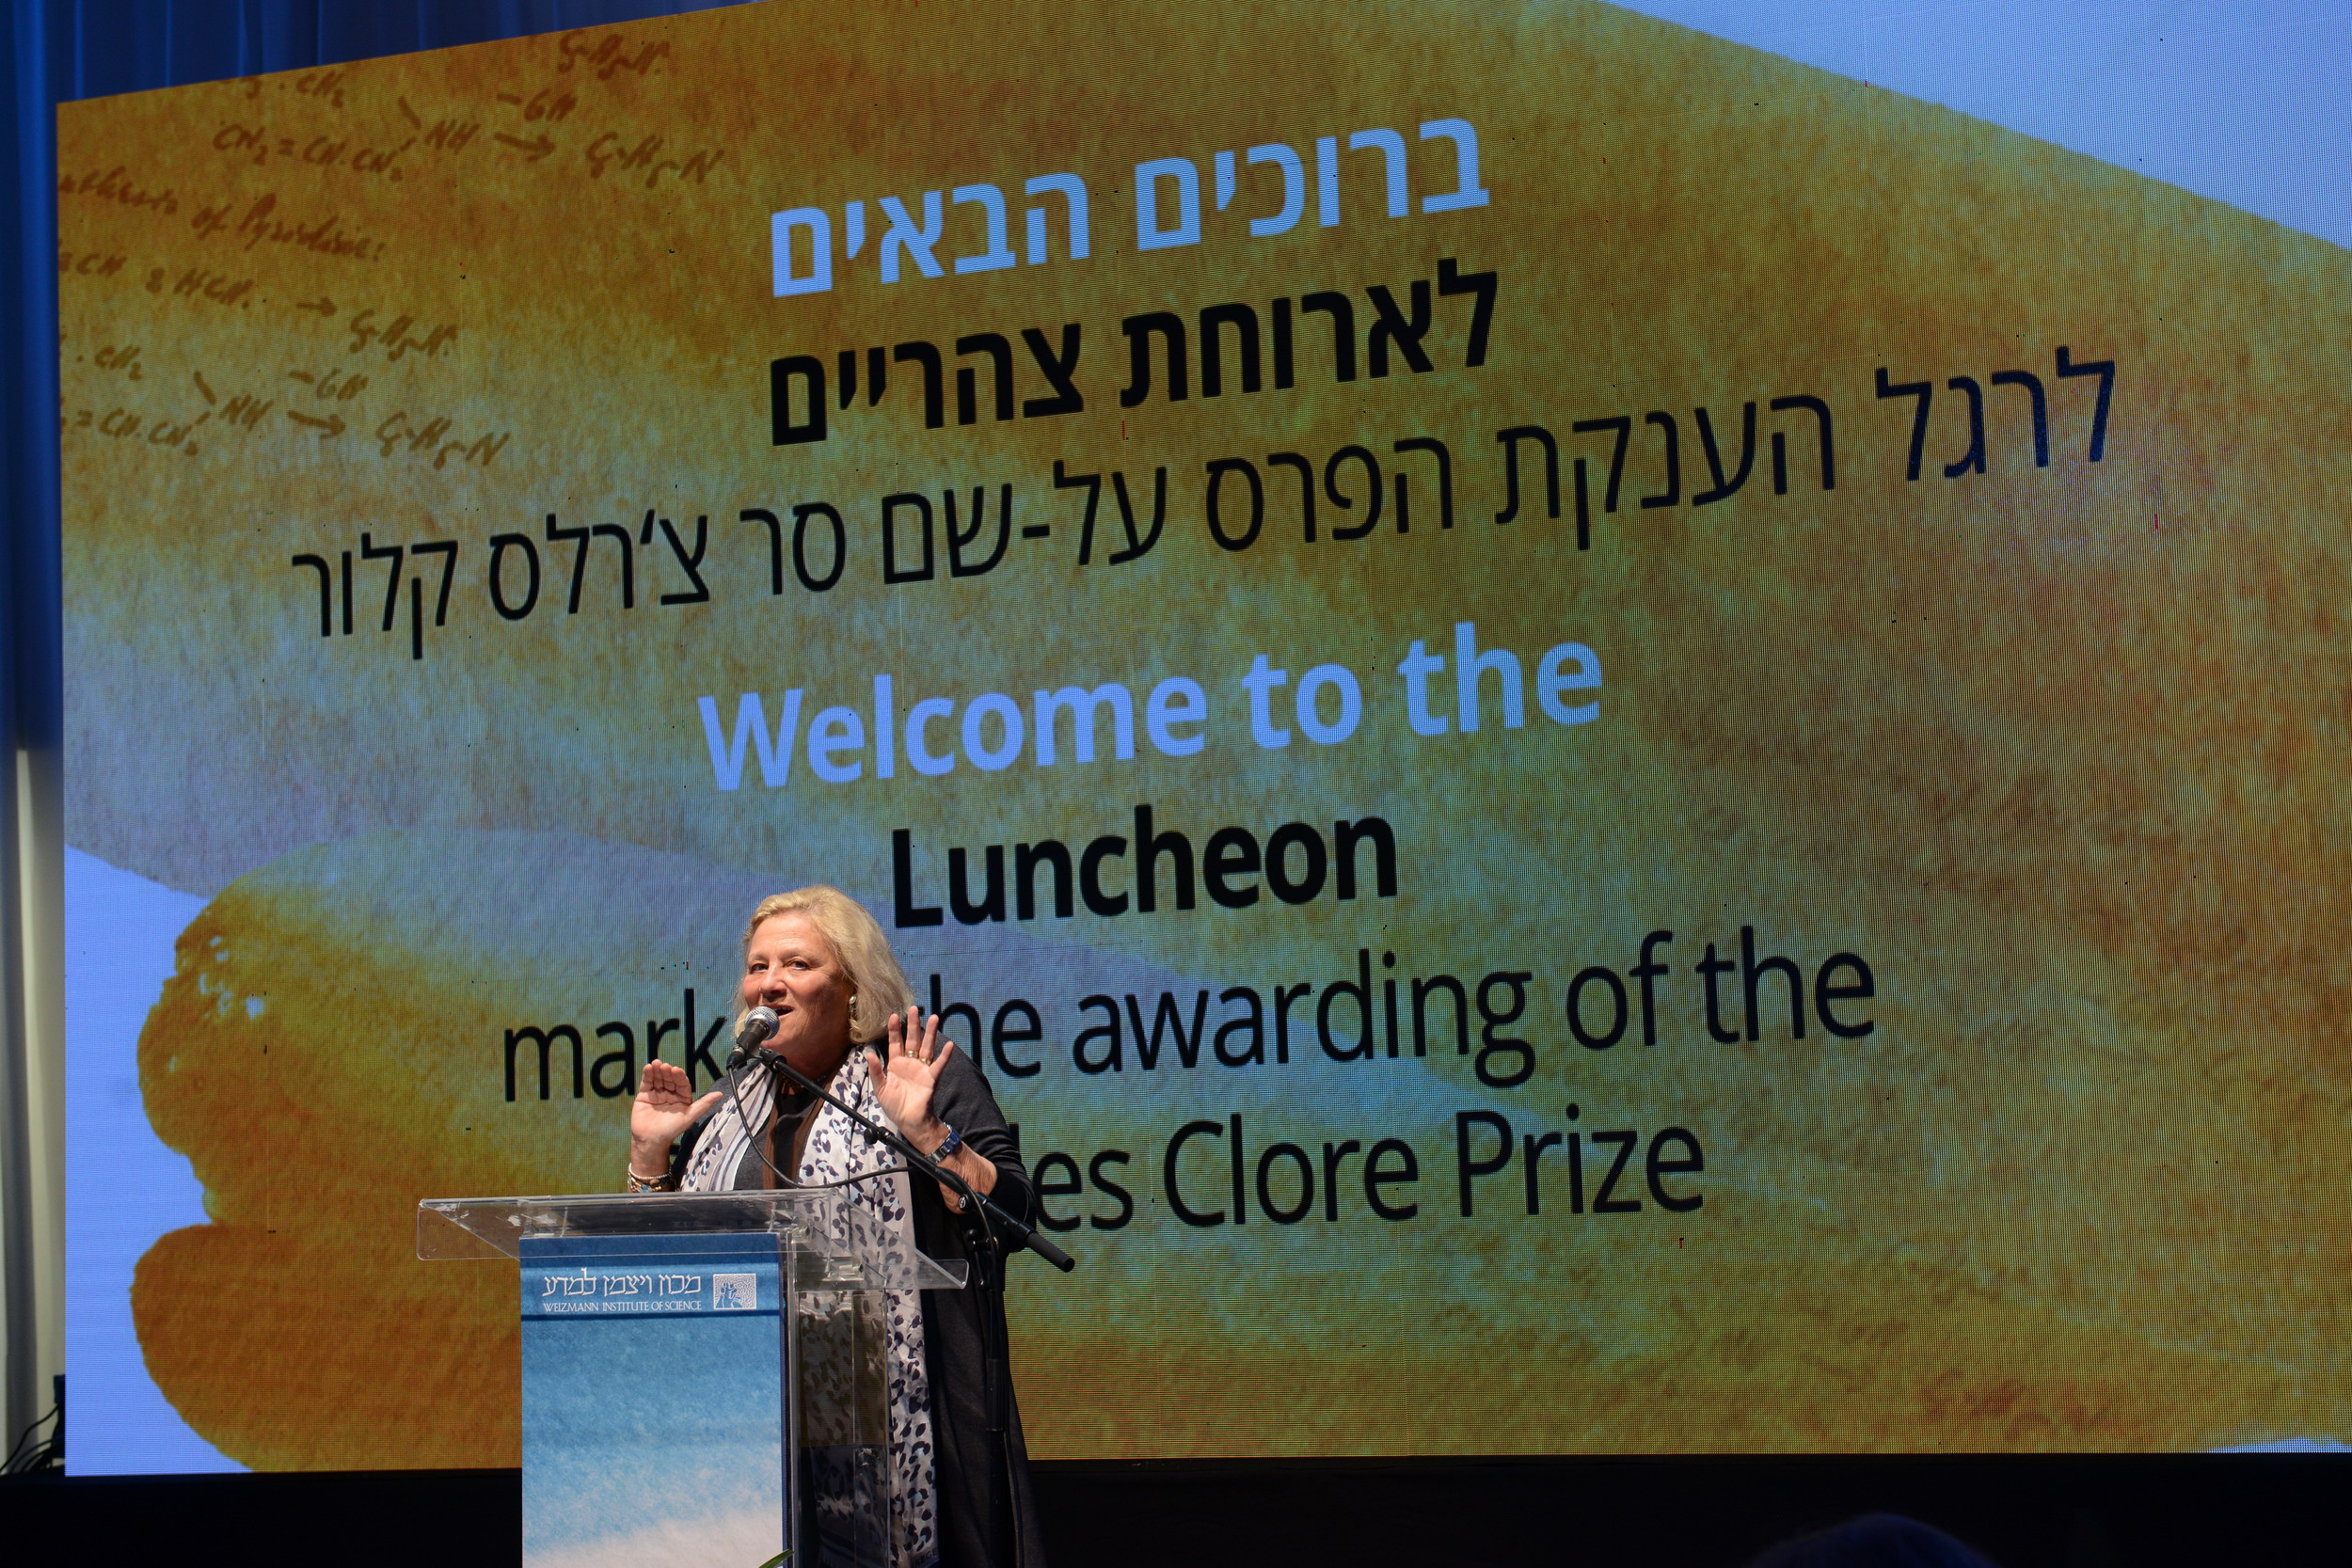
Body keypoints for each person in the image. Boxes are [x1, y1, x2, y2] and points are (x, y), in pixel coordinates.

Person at [626, 886, 1047, 1568]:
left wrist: (928, 1133)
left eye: (797, 964)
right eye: (758, 966)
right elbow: (673, 1266)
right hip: (749, 1427)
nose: (770, 983)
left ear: (853, 987)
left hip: (908, 1413)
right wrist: (650, 1155)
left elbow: (1014, 1215)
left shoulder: (912, 1072)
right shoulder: (730, 1106)